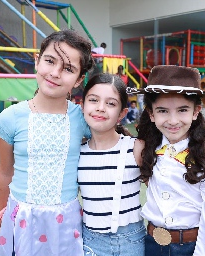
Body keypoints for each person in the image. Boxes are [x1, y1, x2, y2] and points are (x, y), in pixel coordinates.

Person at [0, 29, 94, 255]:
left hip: (66, 221)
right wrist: (0, 221)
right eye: (50, 61)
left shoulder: (82, 118)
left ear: (78, 80)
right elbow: (5, 173)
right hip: (22, 219)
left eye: (68, 69)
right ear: (37, 62)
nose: (55, 73)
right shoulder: (11, 117)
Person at [131, 65, 205, 256]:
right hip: (150, 244)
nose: (173, 120)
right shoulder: (146, 148)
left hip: (190, 248)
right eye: (163, 111)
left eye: (182, 110)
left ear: (196, 111)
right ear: (151, 113)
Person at [78, 73, 146, 255]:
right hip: (89, 242)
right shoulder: (76, 153)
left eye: (111, 103)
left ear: (122, 113)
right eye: (93, 100)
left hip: (132, 242)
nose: (100, 108)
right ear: (82, 105)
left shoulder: (135, 148)